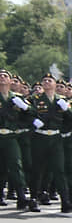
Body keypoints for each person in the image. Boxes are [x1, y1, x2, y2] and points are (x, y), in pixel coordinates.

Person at [27, 72, 72, 213]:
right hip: (40, 138)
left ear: (55, 84)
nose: (47, 82)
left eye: (50, 80)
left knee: (59, 170)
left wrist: (67, 109)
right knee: (37, 169)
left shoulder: (61, 100)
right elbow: (26, 116)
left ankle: (65, 201)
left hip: (55, 138)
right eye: (45, 80)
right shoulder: (35, 99)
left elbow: (71, 119)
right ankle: (34, 199)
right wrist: (33, 121)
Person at [0, 68, 36, 211]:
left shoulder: (16, 97)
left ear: (10, 81)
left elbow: (32, 114)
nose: (2, 77)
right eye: (0, 75)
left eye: (5, 76)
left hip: (10, 136)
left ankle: (21, 196)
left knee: (16, 165)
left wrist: (25, 107)